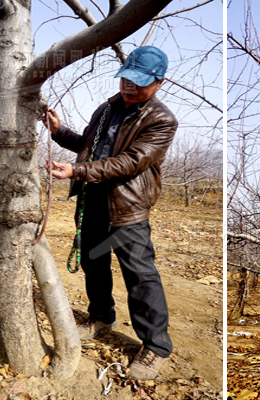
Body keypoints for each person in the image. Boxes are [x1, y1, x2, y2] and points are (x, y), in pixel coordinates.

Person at [40, 46, 177, 380]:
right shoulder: (107, 109)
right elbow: (90, 146)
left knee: (140, 275)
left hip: (127, 211)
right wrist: (60, 132)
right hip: (94, 202)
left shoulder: (161, 120)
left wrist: (75, 172)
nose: (130, 85)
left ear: (158, 83)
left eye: (140, 81)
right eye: (126, 78)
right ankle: (101, 317)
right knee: (93, 261)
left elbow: (130, 162)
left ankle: (156, 346)